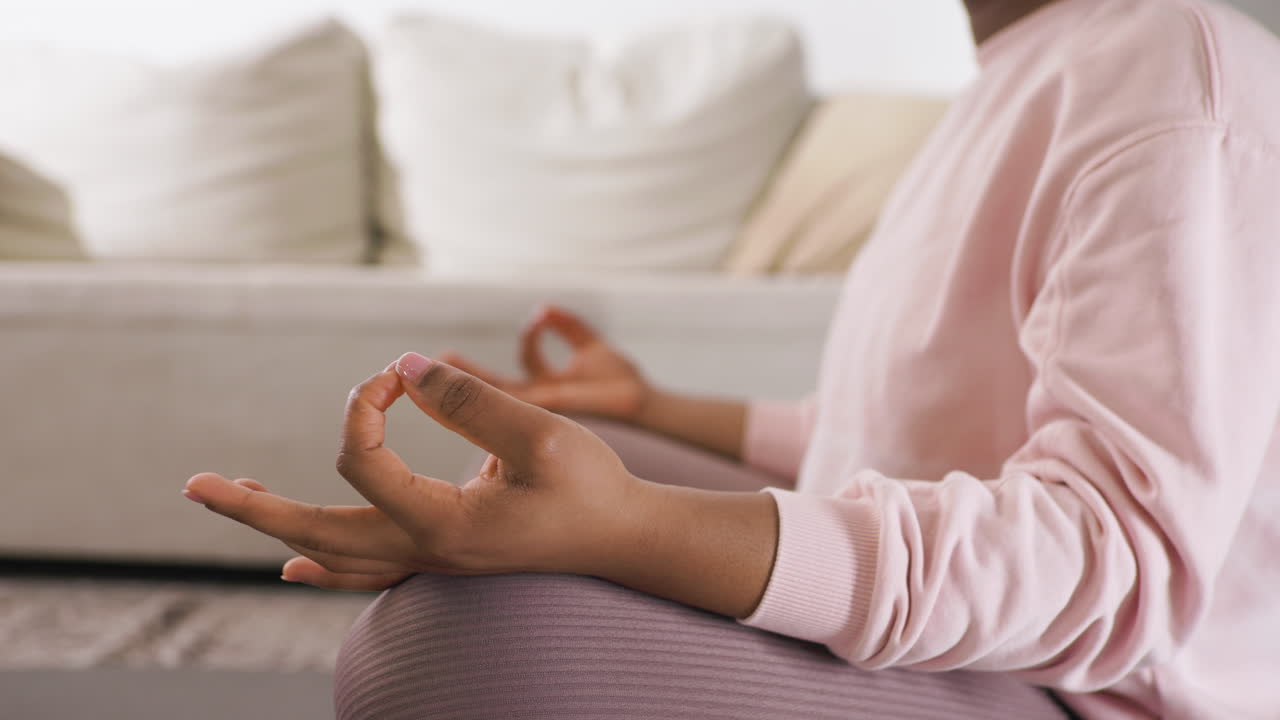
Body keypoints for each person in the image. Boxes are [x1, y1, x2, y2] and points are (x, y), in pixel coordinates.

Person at [181, 0, 1280, 717]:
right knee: (564, 472)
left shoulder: (1172, 80)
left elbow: (1117, 557)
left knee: (454, 641)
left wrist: (631, 527)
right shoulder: (1019, 69)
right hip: (989, 634)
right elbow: (904, 429)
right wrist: (653, 407)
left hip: (1081, 687)